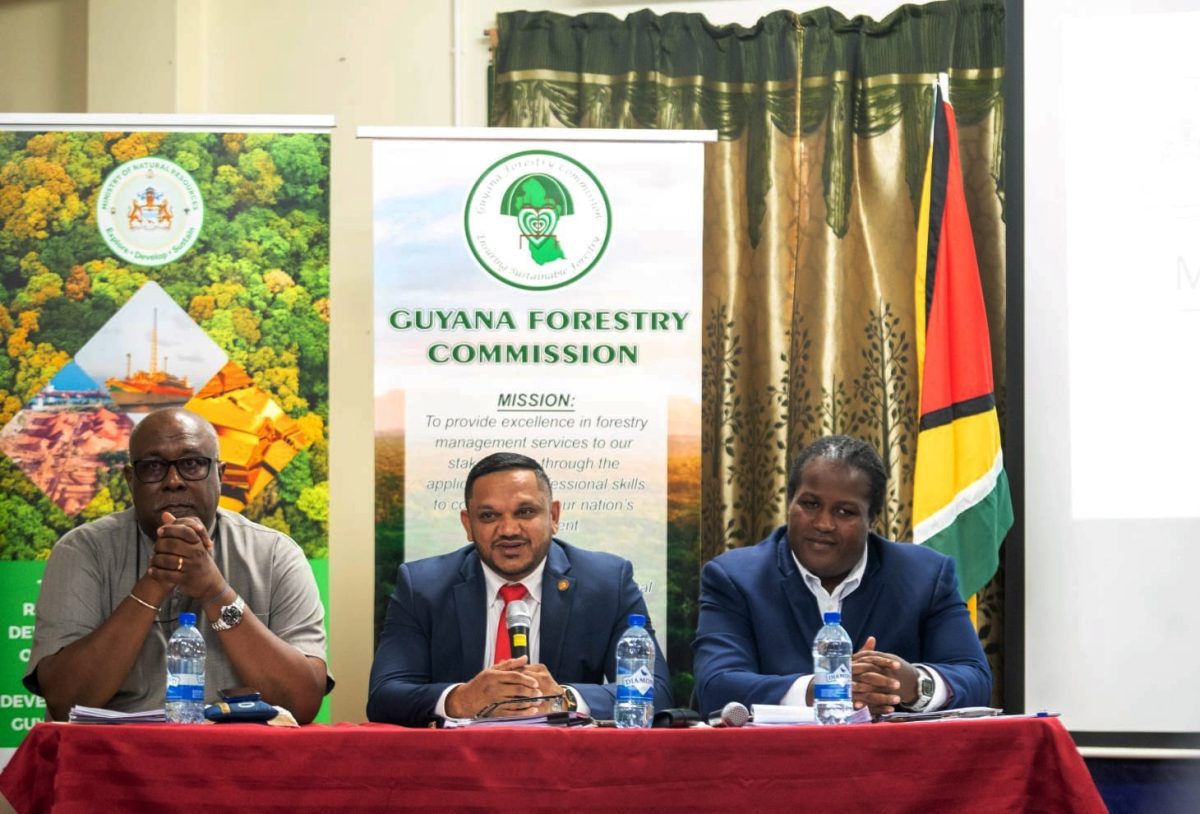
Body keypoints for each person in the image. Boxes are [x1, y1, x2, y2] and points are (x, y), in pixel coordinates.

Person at [24, 408, 331, 723]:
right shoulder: (82, 550)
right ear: (131, 480)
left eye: (192, 464)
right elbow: (65, 701)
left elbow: (303, 702)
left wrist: (215, 591)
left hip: (240, 759)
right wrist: (155, 581)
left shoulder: (276, 554)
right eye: (153, 467)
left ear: (220, 475)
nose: (174, 481)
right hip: (114, 759)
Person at [693, 435, 991, 717]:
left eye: (845, 512)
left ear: (871, 519)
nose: (823, 524)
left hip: (890, 763)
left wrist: (913, 684)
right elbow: (716, 687)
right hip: (777, 762)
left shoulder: (925, 575)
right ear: (790, 502)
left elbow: (975, 678)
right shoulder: (735, 578)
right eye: (810, 504)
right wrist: (823, 690)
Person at [367, 452, 672, 726]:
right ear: (468, 524)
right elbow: (385, 695)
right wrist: (460, 699)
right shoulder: (422, 586)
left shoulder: (608, 582)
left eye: (525, 512)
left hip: (568, 769)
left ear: (553, 516)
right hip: (457, 767)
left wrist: (563, 697)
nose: (509, 530)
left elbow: (657, 693)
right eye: (489, 516)